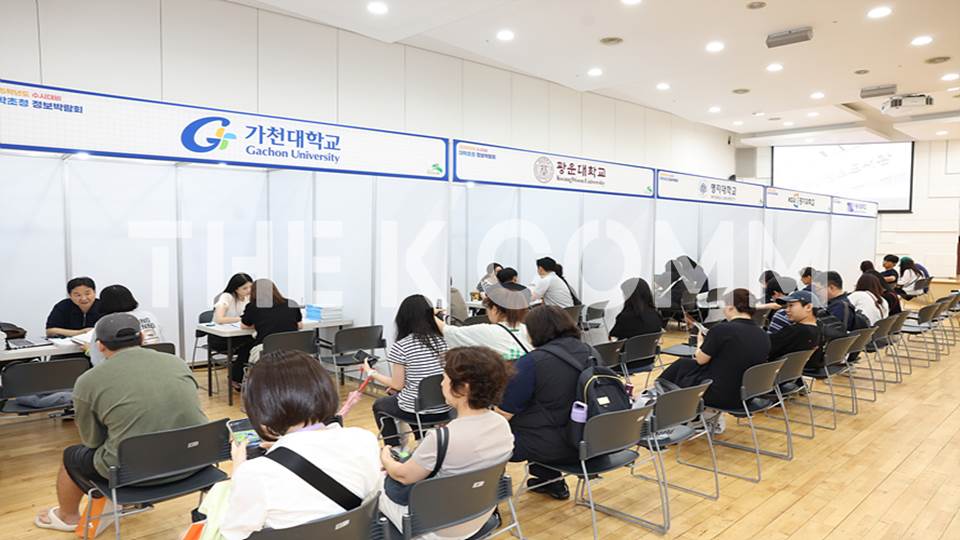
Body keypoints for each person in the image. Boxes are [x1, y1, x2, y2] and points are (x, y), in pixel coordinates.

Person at [34, 314, 208, 532]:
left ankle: (67, 516)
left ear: (100, 346)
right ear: (142, 337)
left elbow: (91, 441)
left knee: (72, 455)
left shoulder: (89, 380)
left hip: (134, 473)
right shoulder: (177, 362)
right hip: (196, 460)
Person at [220, 350, 380, 539]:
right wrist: (282, 450)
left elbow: (233, 533)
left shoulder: (255, 473)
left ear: (260, 407)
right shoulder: (364, 439)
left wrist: (238, 471)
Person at [380, 346, 513, 539]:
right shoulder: (502, 425)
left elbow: (403, 476)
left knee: (373, 486)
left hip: (439, 528)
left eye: (444, 378)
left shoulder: (442, 438)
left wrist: (386, 458)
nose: (441, 384)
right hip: (480, 515)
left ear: (463, 388)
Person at [497, 306, 589, 500]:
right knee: (547, 413)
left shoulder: (532, 362)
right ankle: (551, 481)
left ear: (535, 331)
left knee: (490, 434)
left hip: (553, 445)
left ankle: (487, 502)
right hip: (590, 438)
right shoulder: (591, 352)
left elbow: (504, 413)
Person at [657, 289, 771, 411]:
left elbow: (700, 360)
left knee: (679, 370)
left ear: (731, 307)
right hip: (746, 395)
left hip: (719, 394)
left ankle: (660, 404)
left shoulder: (722, 330)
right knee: (683, 364)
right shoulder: (763, 334)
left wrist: (700, 342)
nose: (723, 310)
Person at [367, 295, 451, 446]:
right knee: (404, 396)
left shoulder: (402, 346)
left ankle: (394, 448)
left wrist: (372, 373)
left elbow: (397, 385)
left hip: (419, 411)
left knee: (380, 405)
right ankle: (421, 439)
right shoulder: (446, 340)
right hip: (447, 408)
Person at [435, 283, 533, 360]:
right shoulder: (530, 331)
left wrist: (431, 313)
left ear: (495, 309)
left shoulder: (486, 331)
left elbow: (448, 331)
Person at [233, 279, 303, 385]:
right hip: (292, 348)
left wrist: (260, 322)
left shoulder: (253, 306)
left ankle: (238, 380)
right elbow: (300, 324)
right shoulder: (291, 303)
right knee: (247, 347)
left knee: (246, 347)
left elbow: (244, 325)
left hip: (266, 349)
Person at [87, 285, 164, 366]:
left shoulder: (106, 322)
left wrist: (87, 350)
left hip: (125, 366)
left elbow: (96, 359)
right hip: (158, 362)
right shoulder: (149, 316)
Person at [767, 291, 821, 361]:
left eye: (791, 305)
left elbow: (765, 348)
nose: (786, 310)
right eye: (786, 306)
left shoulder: (795, 331)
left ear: (808, 307)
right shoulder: (820, 329)